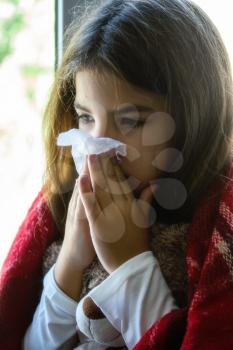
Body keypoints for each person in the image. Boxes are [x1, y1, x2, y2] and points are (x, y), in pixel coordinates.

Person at [1, 0, 233, 349]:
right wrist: (71, 260)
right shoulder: (61, 206)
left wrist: (129, 263)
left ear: (192, 120)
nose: (99, 148)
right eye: (86, 118)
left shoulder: (221, 228)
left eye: (131, 121)